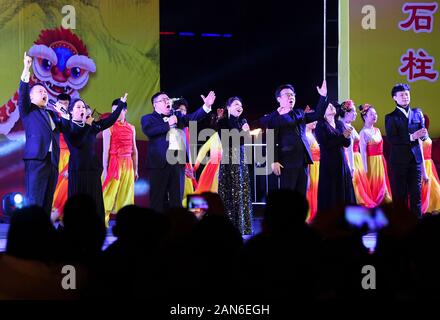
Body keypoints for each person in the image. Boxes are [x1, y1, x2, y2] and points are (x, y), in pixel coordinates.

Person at [141, 91, 215, 213]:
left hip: (177, 163)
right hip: (159, 164)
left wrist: (206, 106)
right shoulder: (148, 118)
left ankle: (176, 228)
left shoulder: (178, 117)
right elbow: (149, 131)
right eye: (163, 100)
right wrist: (168, 124)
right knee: (157, 199)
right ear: (155, 104)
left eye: (168, 99)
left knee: (176, 200)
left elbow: (193, 117)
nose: (167, 101)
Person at [63, 94, 127, 220]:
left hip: (92, 168)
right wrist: (87, 125)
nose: (82, 109)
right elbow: (77, 143)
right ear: (71, 111)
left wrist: (121, 104)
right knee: (78, 202)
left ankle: (94, 227)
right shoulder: (68, 126)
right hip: (77, 169)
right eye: (78, 107)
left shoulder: (92, 126)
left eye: (83, 107)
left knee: (94, 200)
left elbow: (110, 120)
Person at [18, 52, 68, 214]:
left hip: (52, 162)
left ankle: (43, 233)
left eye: (45, 92)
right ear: (31, 97)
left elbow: (67, 129)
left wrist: (65, 113)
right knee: (34, 200)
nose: (45, 93)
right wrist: (26, 68)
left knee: (47, 200)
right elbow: (23, 93)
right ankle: (30, 233)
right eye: (40, 92)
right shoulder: (28, 110)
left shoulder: (53, 114)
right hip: (36, 159)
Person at [260, 81, 327, 196]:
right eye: (287, 94)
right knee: (288, 196)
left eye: (292, 94)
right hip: (287, 162)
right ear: (279, 99)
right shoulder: (274, 118)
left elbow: (318, 115)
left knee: (301, 195)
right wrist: (274, 160)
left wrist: (322, 96)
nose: (291, 96)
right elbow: (271, 140)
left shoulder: (300, 113)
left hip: (303, 161)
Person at [385, 83, 427, 217]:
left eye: (407, 94)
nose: (405, 97)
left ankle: (417, 225)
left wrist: (424, 134)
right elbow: (392, 139)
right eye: (401, 95)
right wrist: (412, 136)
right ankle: (400, 225)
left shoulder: (417, 113)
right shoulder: (391, 117)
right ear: (394, 98)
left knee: (416, 195)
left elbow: (424, 133)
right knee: (400, 196)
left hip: (415, 160)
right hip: (399, 162)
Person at [217, 97, 253, 235]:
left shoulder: (243, 121)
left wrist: (245, 132)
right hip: (229, 157)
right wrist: (241, 132)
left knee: (241, 190)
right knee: (229, 190)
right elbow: (227, 141)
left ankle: (242, 226)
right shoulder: (223, 122)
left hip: (241, 157)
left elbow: (246, 140)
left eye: (241, 105)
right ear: (228, 107)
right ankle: (228, 226)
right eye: (236, 104)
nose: (240, 106)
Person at [102, 99, 139, 227]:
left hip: (128, 163)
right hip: (114, 163)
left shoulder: (132, 128)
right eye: (113, 111)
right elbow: (105, 150)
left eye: (118, 110)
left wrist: (136, 169)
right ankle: (102, 221)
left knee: (127, 193)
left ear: (125, 111)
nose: (115, 113)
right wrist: (105, 168)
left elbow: (134, 149)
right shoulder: (108, 127)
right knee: (108, 193)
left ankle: (125, 222)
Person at [315, 101, 356, 213]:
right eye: (329, 106)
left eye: (333, 106)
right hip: (328, 163)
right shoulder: (320, 125)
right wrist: (342, 136)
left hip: (341, 161)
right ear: (323, 111)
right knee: (331, 190)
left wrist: (347, 136)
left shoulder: (339, 123)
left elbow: (346, 144)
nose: (332, 107)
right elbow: (326, 144)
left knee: (343, 189)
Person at [340, 100, 375, 208]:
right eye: (353, 112)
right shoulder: (345, 126)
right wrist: (351, 166)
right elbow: (349, 148)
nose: (356, 114)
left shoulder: (350, 126)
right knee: (354, 183)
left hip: (356, 157)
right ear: (346, 113)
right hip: (350, 158)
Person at [359, 104, 392, 207]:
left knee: (382, 183)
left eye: (375, 114)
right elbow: (363, 152)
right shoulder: (363, 132)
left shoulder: (377, 130)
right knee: (372, 184)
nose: (375, 116)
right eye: (371, 114)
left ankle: (383, 203)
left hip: (380, 160)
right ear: (365, 117)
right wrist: (365, 167)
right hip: (370, 162)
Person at [51, 93, 72, 222]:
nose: (63, 106)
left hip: (69, 154)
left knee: (66, 184)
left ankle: (63, 212)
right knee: (54, 183)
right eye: (61, 103)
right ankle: (53, 209)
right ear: (57, 103)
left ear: (69, 105)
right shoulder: (51, 116)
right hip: (56, 153)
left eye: (66, 104)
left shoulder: (70, 118)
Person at [419, 115, 440, 214]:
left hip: (429, 163)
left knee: (434, 187)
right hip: (422, 164)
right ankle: (425, 208)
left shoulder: (425, 132)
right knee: (424, 187)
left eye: (423, 120)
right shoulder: (416, 135)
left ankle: (433, 207)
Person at [304, 107, 319, 223]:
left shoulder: (311, 134)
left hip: (317, 167)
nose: (315, 122)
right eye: (312, 120)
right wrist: (308, 176)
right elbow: (306, 158)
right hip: (312, 168)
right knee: (311, 191)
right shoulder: (306, 136)